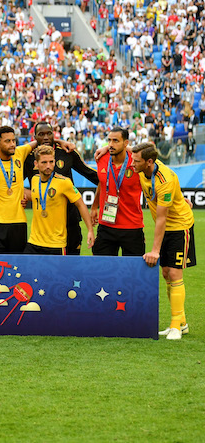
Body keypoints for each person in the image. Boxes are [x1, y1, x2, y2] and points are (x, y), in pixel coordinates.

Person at [131, 143, 196, 341]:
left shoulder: (163, 178)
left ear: (149, 162)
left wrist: (155, 251)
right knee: (166, 273)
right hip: (167, 228)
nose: (133, 164)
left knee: (175, 273)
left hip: (179, 227)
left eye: (136, 161)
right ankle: (181, 322)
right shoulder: (142, 168)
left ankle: (175, 326)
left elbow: (161, 218)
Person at [24, 122, 99, 255]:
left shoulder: (67, 152)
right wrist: (25, 196)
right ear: (35, 137)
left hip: (70, 218)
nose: (46, 137)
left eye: (49, 133)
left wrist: (110, 187)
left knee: (71, 262)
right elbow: (15, 184)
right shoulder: (29, 158)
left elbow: (90, 174)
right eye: (41, 134)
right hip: (43, 225)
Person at [92, 127, 145, 256]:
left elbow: (155, 167)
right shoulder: (101, 158)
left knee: (133, 274)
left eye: (116, 141)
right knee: (101, 272)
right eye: (109, 140)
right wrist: (94, 207)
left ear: (126, 143)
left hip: (132, 227)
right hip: (106, 226)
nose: (110, 144)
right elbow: (102, 182)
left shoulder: (137, 162)